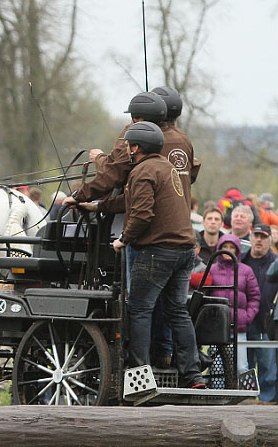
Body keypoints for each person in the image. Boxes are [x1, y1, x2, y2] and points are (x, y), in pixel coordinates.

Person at [111, 121, 205, 388]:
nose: (127, 150)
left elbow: (141, 213)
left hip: (157, 252)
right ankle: (193, 375)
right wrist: (98, 206)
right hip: (185, 251)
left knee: (140, 309)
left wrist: (123, 239)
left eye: (129, 146)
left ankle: (139, 376)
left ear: (137, 147)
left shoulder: (142, 171)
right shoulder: (168, 168)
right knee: (178, 311)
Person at [208, 234, 260, 375]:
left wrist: (247, 317)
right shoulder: (211, 269)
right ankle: (217, 395)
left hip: (239, 327)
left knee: (241, 366)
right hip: (217, 328)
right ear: (219, 248)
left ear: (237, 250)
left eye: (232, 247)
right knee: (216, 368)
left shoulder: (246, 270)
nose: (228, 250)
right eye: (225, 247)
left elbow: (255, 297)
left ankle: (243, 395)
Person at [242, 225, 278, 403]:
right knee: (244, 364)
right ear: (250, 237)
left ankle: (267, 401)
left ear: (269, 240)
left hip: (266, 321)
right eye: (256, 235)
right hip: (243, 321)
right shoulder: (241, 260)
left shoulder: (276, 262)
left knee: (267, 364)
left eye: (263, 237)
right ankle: (245, 399)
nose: (258, 240)